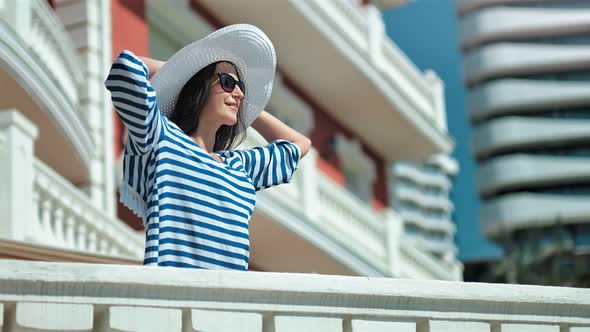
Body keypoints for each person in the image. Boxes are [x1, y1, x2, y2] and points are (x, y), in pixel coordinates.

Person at [105, 24, 311, 270]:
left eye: (241, 88)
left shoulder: (239, 167)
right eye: (227, 82)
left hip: (230, 303)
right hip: (174, 296)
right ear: (200, 87)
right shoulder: (162, 139)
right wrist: (182, 74)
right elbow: (125, 68)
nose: (239, 94)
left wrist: (247, 108)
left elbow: (300, 144)